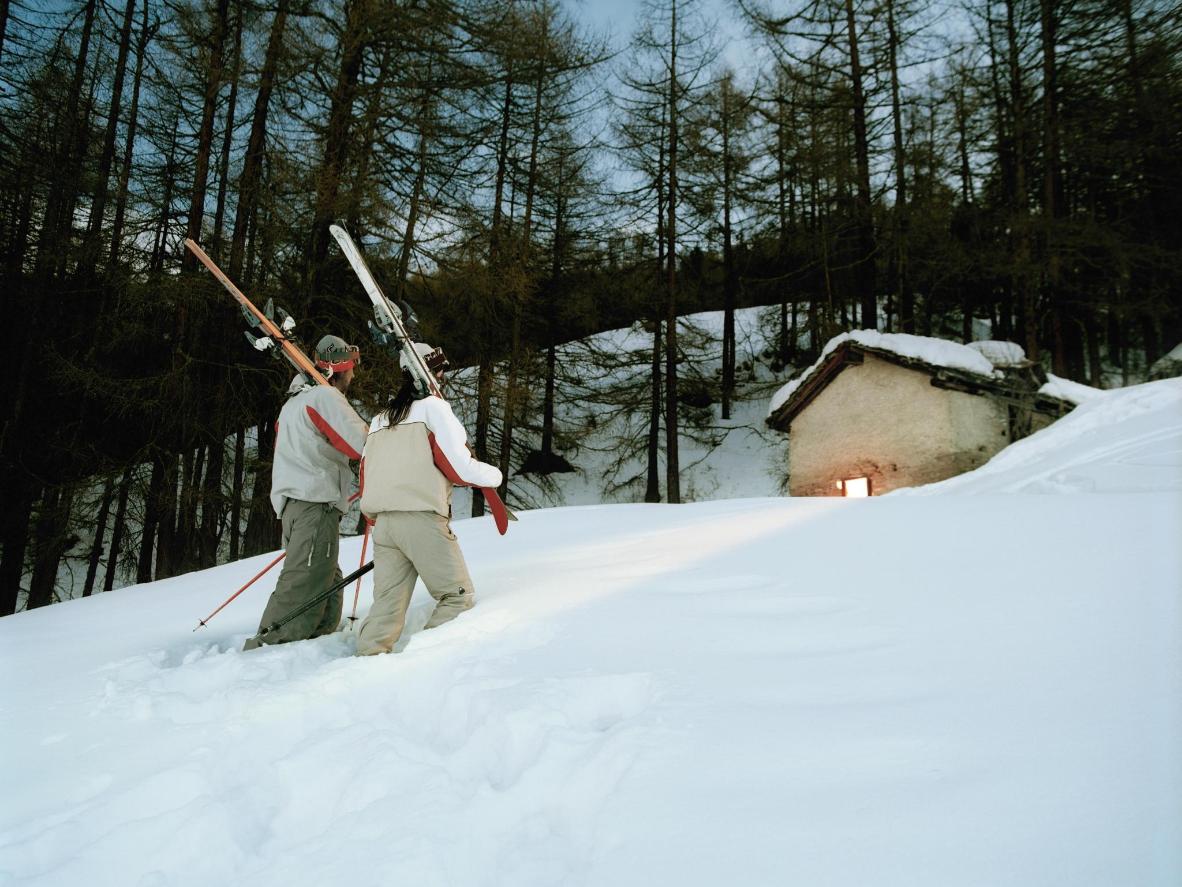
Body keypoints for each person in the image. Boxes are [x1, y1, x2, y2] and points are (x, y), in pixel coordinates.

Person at [355, 343, 502, 656]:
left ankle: (365, 663)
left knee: (385, 610)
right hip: (421, 519)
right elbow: (458, 466)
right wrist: (494, 477)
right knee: (457, 596)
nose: (442, 376)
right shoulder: (434, 408)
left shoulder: (381, 418)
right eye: (441, 370)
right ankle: (425, 663)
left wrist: (378, 519)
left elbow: (365, 472)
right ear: (431, 373)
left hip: (384, 526)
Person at [243, 335, 368, 651]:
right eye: (351, 367)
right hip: (313, 502)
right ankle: (266, 647)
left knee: (324, 577)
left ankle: (315, 645)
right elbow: (359, 443)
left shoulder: (292, 404)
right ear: (340, 369)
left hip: (297, 505)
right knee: (304, 580)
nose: (354, 375)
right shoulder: (324, 398)